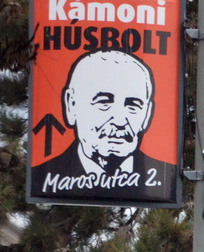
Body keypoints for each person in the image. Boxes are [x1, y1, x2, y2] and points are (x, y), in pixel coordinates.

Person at [30, 50, 174, 202]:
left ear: (147, 113)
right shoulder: (43, 177)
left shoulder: (164, 179)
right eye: (104, 102)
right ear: (71, 105)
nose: (119, 121)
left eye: (133, 105)